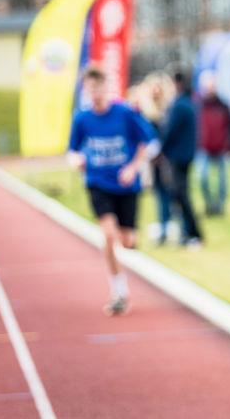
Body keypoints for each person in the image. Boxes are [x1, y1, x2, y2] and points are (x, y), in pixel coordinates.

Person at [68, 64, 155, 316]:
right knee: (108, 235)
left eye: (99, 88)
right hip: (98, 183)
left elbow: (148, 142)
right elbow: (72, 151)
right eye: (90, 89)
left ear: (106, 88)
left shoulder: (124, 113)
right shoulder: (82, 118)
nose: (95, 93)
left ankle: (128, 244)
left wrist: (133, 168)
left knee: (127, 241)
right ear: (85, 90)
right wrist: (76, 160)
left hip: (126, 185)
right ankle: (119, 292)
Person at [160, 69, 203, 247]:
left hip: (178, 155)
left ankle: (192, 232)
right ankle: (189, 232)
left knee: (180, 195)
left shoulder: (179, 105)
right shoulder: (189, 102)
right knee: (181, 194)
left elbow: (170, 131)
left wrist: (161, 149)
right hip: (185, 154)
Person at [139, 72, 175, 244]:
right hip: (153, 158)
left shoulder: (168, 110)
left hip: (167, 157)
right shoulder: (146, 111)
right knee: (159, 192)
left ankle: (169, 225)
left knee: (170, 192)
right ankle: (163, 226)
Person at [196, 70, 230, 216]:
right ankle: (209, 205)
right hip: (204, 147)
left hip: (221, 147)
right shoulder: (199, 105)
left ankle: (219, 207)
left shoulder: (223, 105)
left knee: (222, 181)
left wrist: (228, 144)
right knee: (202, 178)